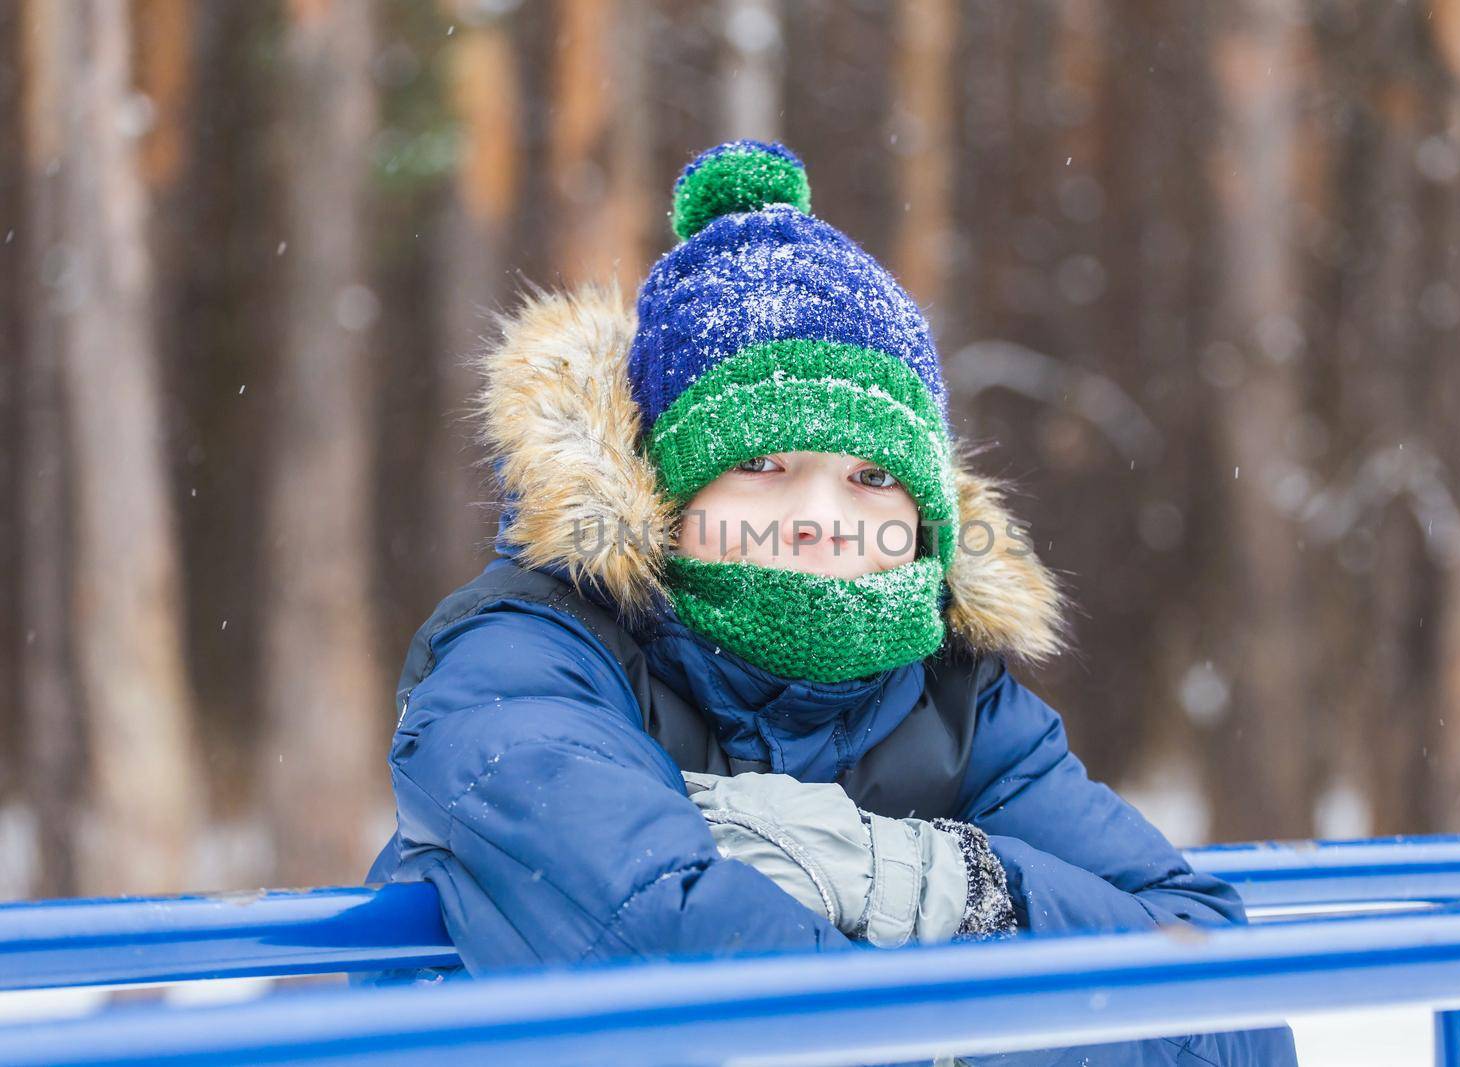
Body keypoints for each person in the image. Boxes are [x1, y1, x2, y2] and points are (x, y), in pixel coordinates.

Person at [363, 139, 1298, 1065]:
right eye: (762, 465)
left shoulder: (952, 699)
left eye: (869, 474)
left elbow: (1226, 1010)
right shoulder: (527, 658)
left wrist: (948, 889)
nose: (821, 519)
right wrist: (983, 1009)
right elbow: (670, 954)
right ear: (662, 487)